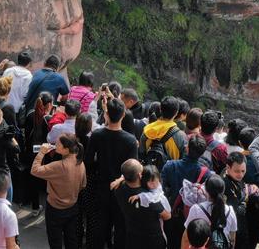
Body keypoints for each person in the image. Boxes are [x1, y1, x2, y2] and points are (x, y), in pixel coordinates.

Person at [84, 96, 138, 249]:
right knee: (120, 229)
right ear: (123, 115)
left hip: (100, 187)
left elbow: (88, 162)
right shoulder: (130, 140)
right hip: (121, 189)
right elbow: (133, 169)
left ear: (106, 114)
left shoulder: (97, 135)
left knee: (99, 228)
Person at [32, 134, 87, 249]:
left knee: (55, 241)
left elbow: (35, 170)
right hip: (72, 207)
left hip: (55, 209)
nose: (54, 145)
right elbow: (83, 185)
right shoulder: (80, 162)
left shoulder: (58, 166)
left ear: (66, 149)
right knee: (71, 239)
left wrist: (41, 153)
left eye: (58, 144)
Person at [115, 161, 169, 249]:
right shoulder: (149, 198)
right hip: (152, 241)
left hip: (132, 238)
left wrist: (121, 179)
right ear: (140, 175)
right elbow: (167, 216)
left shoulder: (118, 189)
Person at [182, 174, 237, 249]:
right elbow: (232, 239)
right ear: (223, 191)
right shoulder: (230, 211)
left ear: (206, 191)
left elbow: (186, 237)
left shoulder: (196, 209)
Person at [141, 96, 188, 164]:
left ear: (160, 109)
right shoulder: (181, 136)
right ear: (176, 113)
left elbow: (142, 154)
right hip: (170, 173)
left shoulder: (147, 130)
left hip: (150, 171)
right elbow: (183, 161)